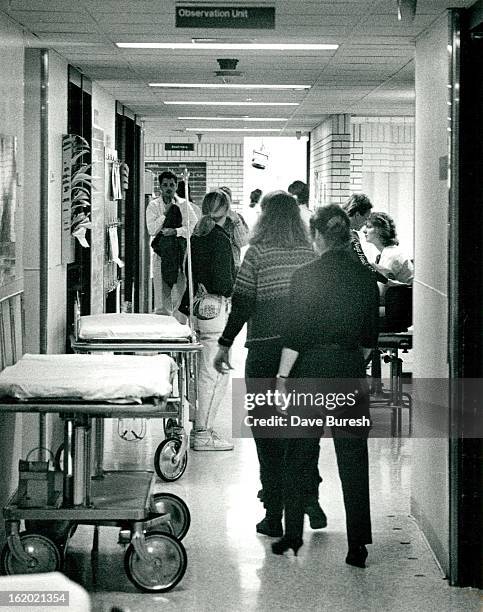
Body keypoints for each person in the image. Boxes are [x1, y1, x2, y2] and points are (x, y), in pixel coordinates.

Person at [214, 191, 326, 537]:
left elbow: (243, 302)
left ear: (264, 218)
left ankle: (273, 514)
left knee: (267, 432)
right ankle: (309, 496)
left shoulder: (257, 253)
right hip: (303, 353)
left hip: (264, 352)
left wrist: (224, 343)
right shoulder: (310, 253)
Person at [272, 204, 379, 568]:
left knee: (298, 454)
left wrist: (283, 378)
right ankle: (358, 546)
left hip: (310, 370)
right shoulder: (365, 278)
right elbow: (370, 338)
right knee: (353, 459)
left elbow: (295, 333)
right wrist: (350, 361)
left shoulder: (304, 276)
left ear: (317, 236)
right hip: (349, 368)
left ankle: (292, 535)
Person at [181, 189, 236, 451]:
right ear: (226, 211)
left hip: (196, 308)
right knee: (214, 373)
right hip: (215, 309)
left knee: (200, 372)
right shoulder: (220, 239)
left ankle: (199, 427)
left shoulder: (195, 236)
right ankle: (203, 433)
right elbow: (225, 283)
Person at [146, 171, 198, 317]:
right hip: (161, 255)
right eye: (165, 185)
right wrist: (165, 214)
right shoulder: (153, 205)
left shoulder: (184, 205)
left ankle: (179, 326)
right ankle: (163, 328)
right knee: (162, 297)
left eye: (172, 185)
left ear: (176, 186)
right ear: (160, 187)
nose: (168, 188)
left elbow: (193, 227)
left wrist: (175, 231)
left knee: (180, 292)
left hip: (180, 254)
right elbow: (152, 230)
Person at [363, 212, 414, 284]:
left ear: (380, 231)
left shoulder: (391, 255)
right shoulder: (388, 252)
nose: (364, 230)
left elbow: (382, 289)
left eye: (369, 227)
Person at [218, 186, 250, 270]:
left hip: (233, 262)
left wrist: (237, 223)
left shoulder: (238, 217)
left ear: (230, 201)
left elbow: (243, 242)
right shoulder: (210, 217)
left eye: (226, 199)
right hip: (214, 262)